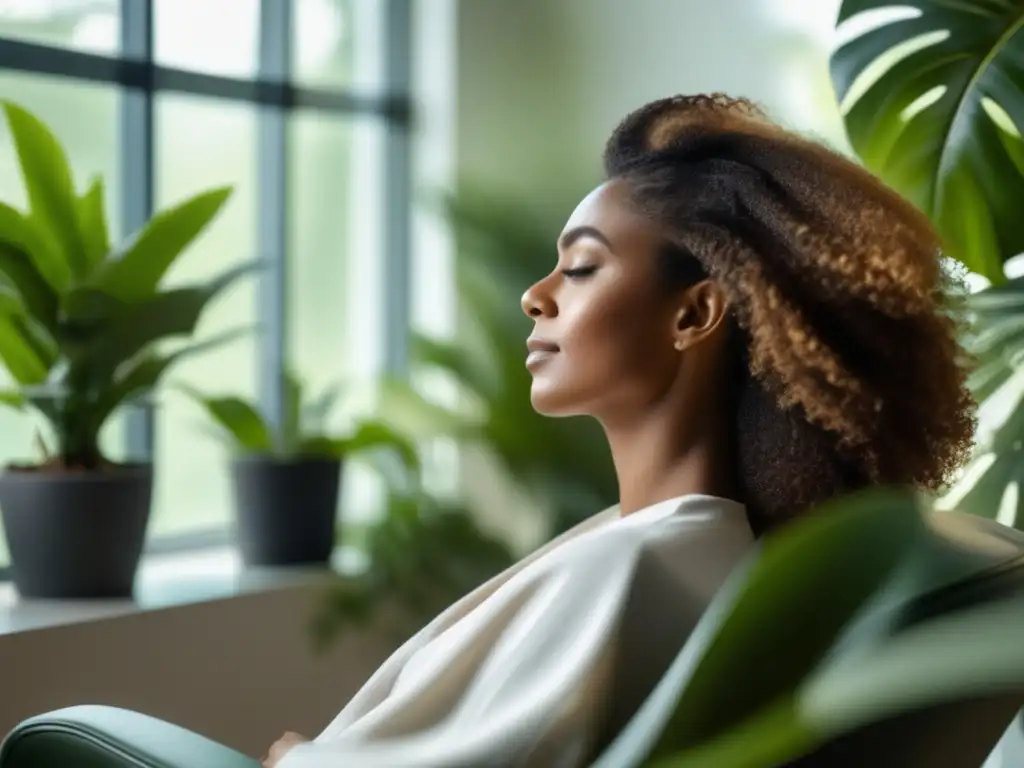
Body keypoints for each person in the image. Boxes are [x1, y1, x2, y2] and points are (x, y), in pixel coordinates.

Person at [264, 93, 975, 767]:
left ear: (693, 316)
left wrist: (295, 758)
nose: (535, 296)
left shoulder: (643, 567)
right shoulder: (701, 553)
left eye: (580, 267)